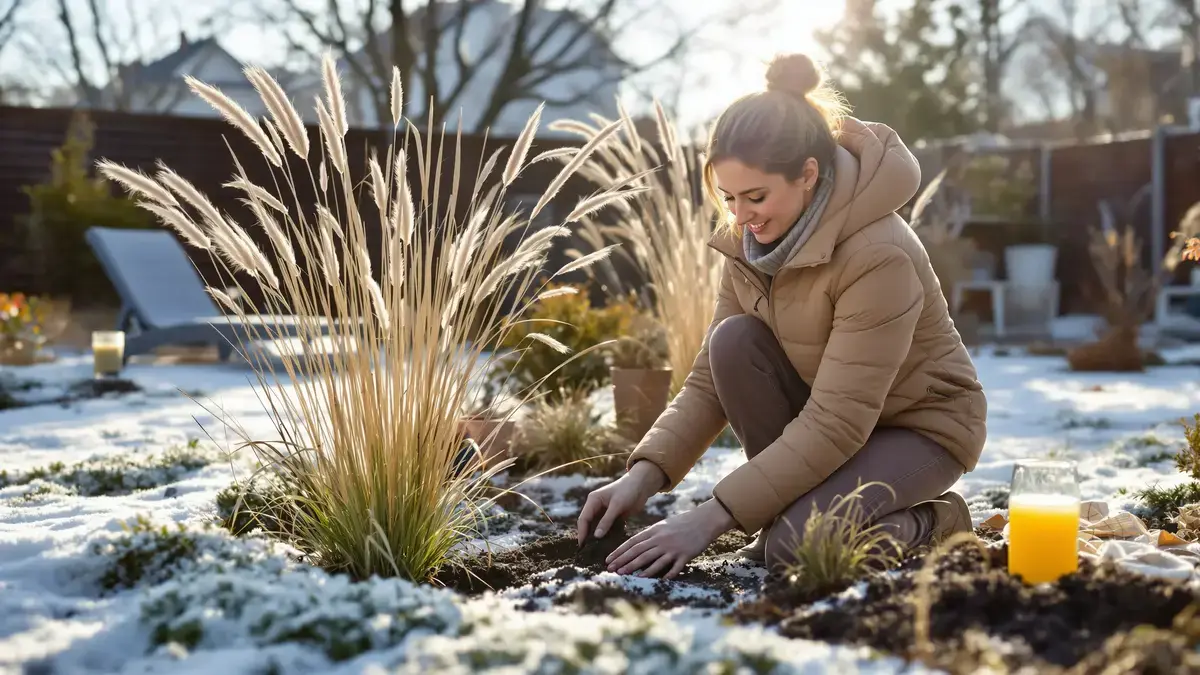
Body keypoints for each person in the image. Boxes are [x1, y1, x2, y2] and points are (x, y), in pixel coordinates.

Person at [575, 53, 988, 580]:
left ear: (808, 175)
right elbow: (708, 381)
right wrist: (644, 474)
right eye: (728, 198)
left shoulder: (878, 255)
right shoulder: (751, 242)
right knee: (733, 342)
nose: (741, 216)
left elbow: (839, 421)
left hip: (921, 428)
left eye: (755, 196)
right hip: (834, 419)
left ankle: (936, 521)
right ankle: (796, 509)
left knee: (797, 548)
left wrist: (713, 517)